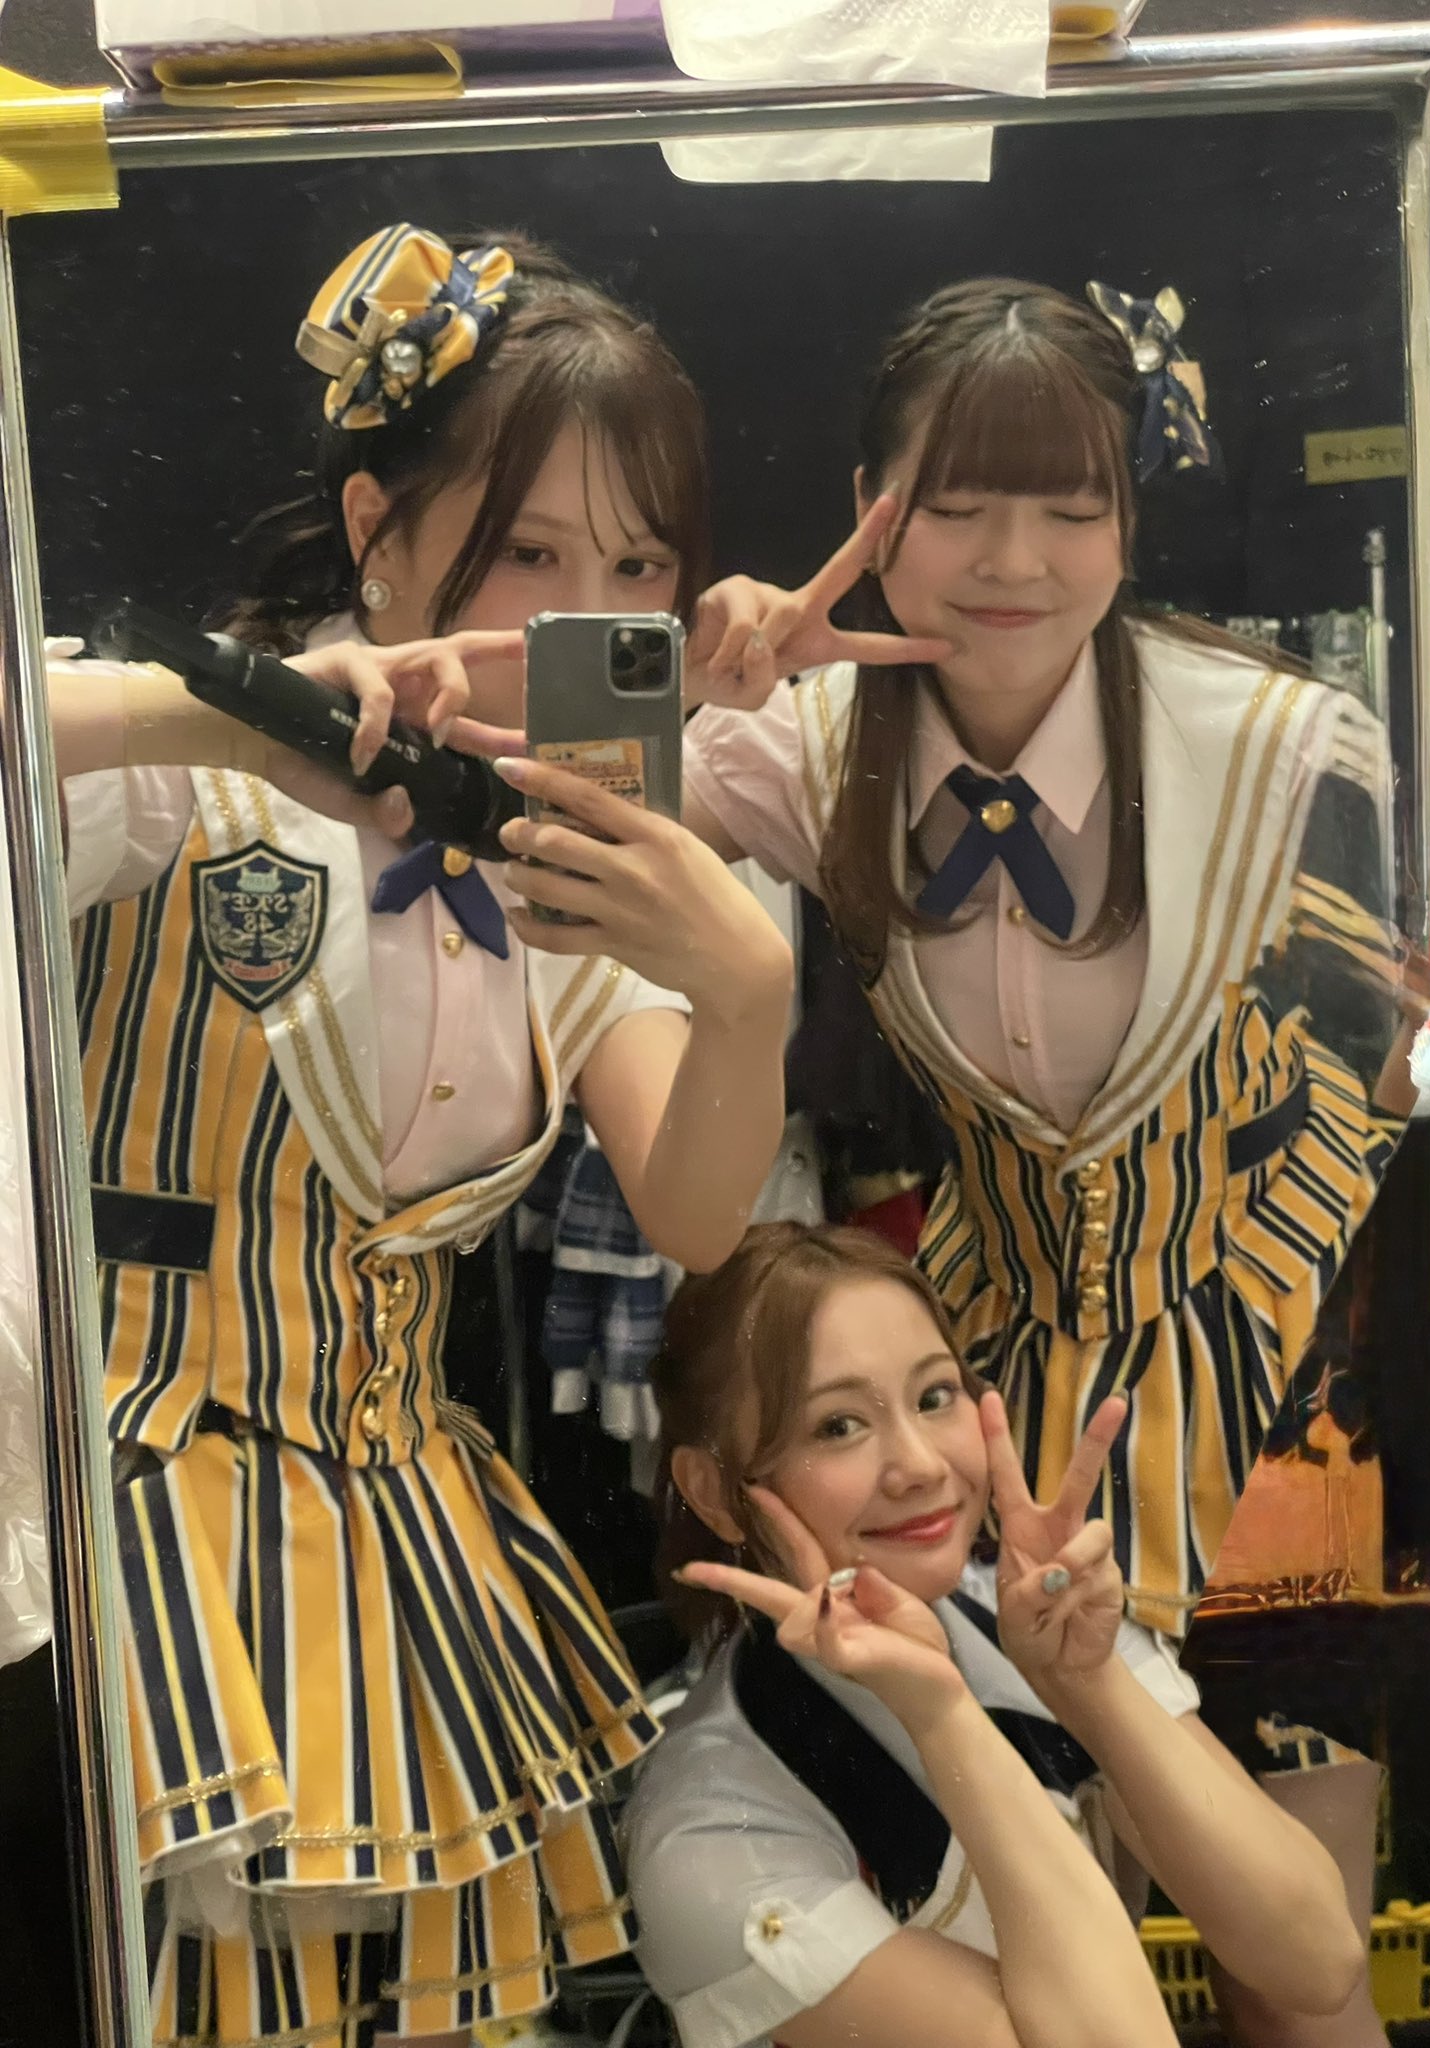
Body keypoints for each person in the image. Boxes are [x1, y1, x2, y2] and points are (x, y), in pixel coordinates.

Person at [41, 219, 901, 2048]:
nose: (579, 612)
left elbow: (692, 1212)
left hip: (394, 1524)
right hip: (129, 1526)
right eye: (528, 549)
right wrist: (234, 721)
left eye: (637, 563)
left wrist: (746, 991)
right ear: (377, 526)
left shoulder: (579, 830)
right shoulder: (193, 766)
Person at [678, 277, 1408, 2046]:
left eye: (1072, 507)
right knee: (1077, 1923)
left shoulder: (1282, 744)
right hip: (1002, 1405)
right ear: (871, 512)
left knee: (1296, 1957)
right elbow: (531, 818)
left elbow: (1385, 1082)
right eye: (957, 505)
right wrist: (680, 676)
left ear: (1129, 521)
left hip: (1282, 1390)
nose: (1015, 560)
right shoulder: (804, 745)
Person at [625, 1221, 1366, 2048]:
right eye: (838, 1426)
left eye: (935, 1397)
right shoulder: (715, 1833)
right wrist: (942, 1715)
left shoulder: (1029, 1615)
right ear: (713, 1490)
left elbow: (1318, 1960)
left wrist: (1088, 1684)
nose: (920, 1465)